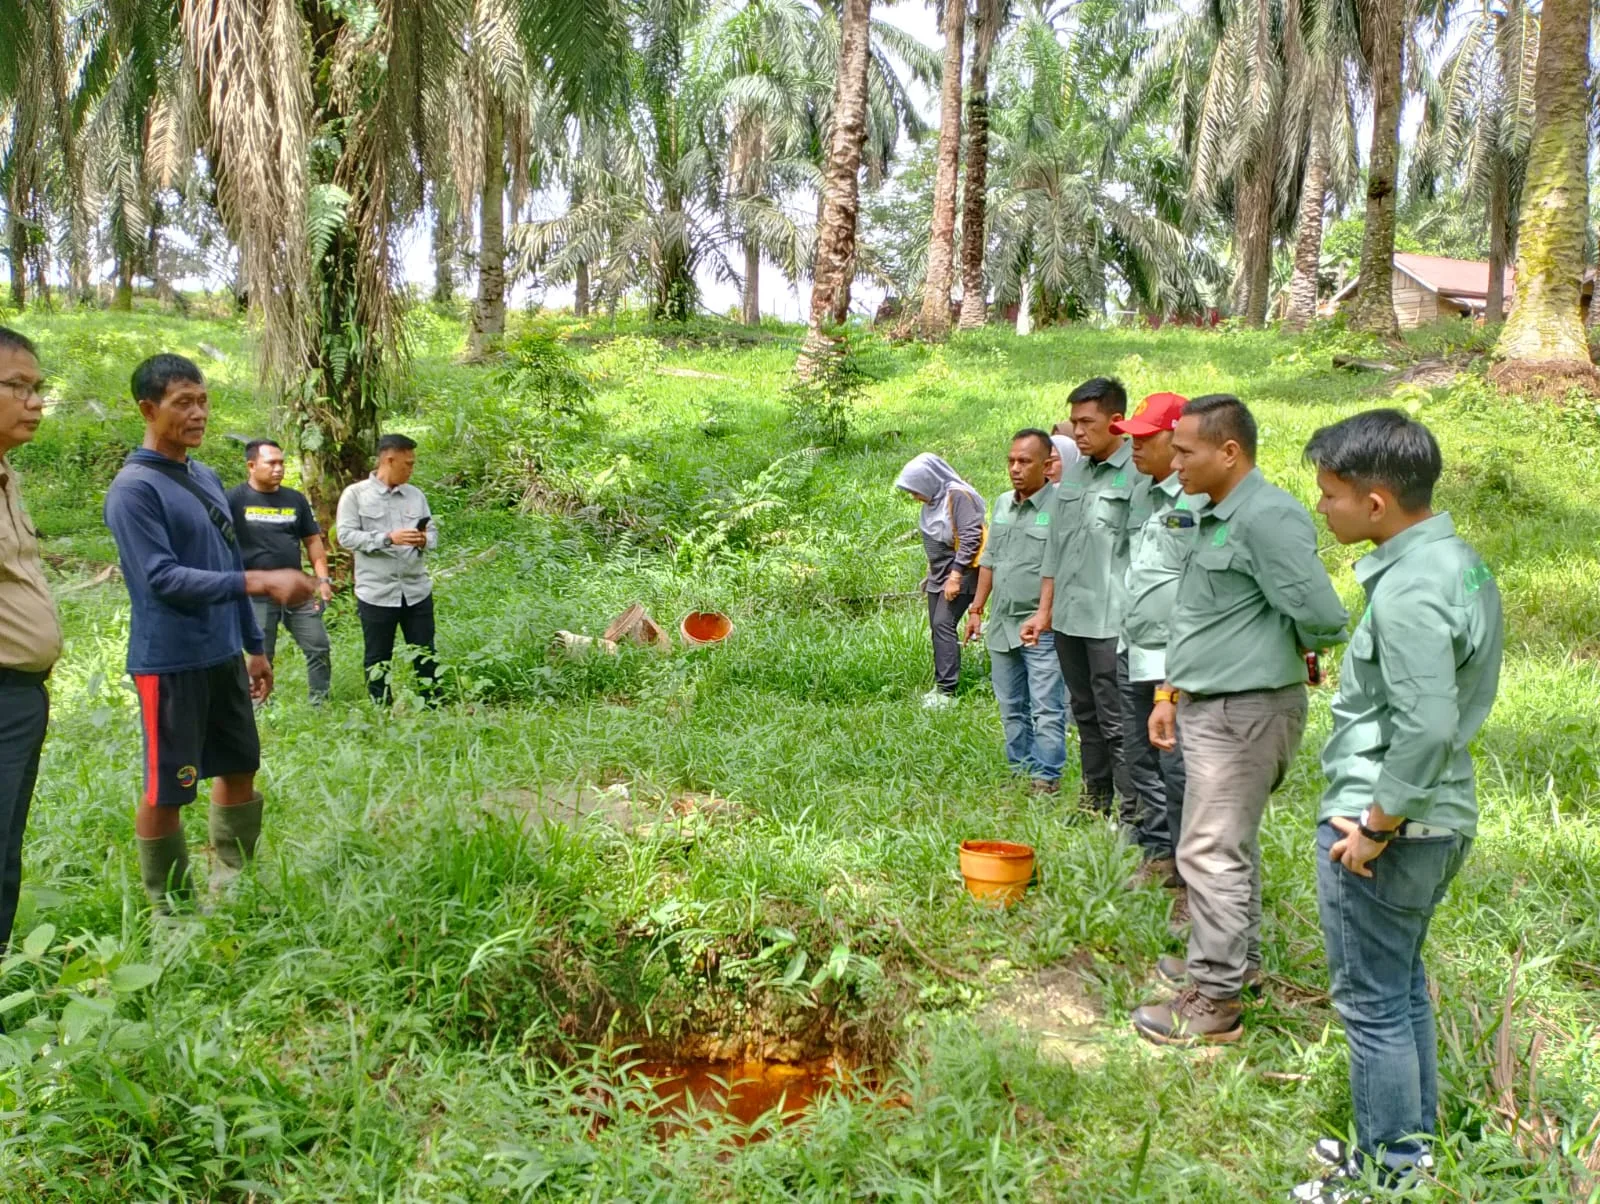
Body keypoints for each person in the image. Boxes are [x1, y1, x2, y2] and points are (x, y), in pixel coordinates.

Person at [1291, 411, 1502, 1203]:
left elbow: (1429, 723)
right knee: (1400, 984)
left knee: (1372, 1003)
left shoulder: (1412, 589)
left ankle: (1388, 1177)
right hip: (1438, 813)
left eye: (1331, 494)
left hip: (1388, 822)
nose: (1323, 508)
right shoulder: (1461, 563)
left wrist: (1377, 826)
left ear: (1376, 503)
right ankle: (1407, 1150)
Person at [1130, 394, 1348, 1045]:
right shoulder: (1210, 514)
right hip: (1210, 704)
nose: (1176, 459)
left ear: (1230, 451)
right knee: (1225, 844)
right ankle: (1232, 965)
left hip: (1246, 709)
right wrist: (1172, 692)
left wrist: (1283, 649)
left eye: (1187, 449)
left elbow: (1323, 616)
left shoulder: (1267, 517)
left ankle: (1215, 999)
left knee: (1209, 850)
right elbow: (1203, 615)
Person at [104, 354, 318, 910]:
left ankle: (234, 881)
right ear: (148, 409)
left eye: (202, 400)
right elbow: (161, 578)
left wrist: (253, 646)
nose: (198, 413)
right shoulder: (134, 489)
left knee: (240, 764)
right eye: (183, 403)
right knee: (168, 788)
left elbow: (224, 561)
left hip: (222, 652)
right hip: (169, 659)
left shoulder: (202, 477)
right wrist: (262, 580)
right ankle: (171, 910)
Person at [1022, 378, 1143, 817]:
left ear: (1116, 421)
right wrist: (1044, 611)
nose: (1077, 432)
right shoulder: (1074, 474)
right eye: (1073, 422)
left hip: (1112, 622)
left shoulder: (1139, 475)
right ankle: (1094, 802)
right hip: (1070, 620)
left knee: (1118, 720)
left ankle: (1132, 812)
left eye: (1086, 422)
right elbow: (1055, 548)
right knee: (1085, 715)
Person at [1112, 393, 1203, 895]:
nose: (1135, 446)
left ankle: (1191, 870)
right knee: (1139, 755)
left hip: (1174, 658)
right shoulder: (1147, 494)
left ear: (1180, 440)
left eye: (1147, 437)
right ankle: (1156, 853)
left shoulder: (1198, 504)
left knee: (1177, 763)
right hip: (1134, 647)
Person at [0, 327, 62, 952]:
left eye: (38, 388)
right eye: (18, 386)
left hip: (20, 695)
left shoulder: (6, 474)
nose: (35, 401)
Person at [963, 430, 1068, 792]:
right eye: (1011, 461)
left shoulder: (1061, 507)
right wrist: (976, 609)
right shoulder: (1004, 502)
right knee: (1011, 706)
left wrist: (1045, 613)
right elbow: (989, 560)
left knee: (1046, 707)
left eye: (1025, 461)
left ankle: (1046, 777)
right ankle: (1020, 769)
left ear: (1048, 465)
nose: (1015, 468)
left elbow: (1060, 567)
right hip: (1002, 624)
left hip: (1040, 626)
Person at [227, 439, 335, 703]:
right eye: (271, 463)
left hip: (297, 590)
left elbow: (312, 540)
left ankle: (319, 702)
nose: (278, 468)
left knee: (318, 645)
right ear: (251, 466)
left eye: (281, 463)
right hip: (256, 592)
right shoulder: (233, 499)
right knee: (261, 651)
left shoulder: (294, 498)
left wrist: (322, 579)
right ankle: (260, 707)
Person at [336, 433, 440, 704]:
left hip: (416, 590)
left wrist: (423, 539)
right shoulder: (355, 495)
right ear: (389, 460)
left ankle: (433, 704)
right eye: (408, 464)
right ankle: (381, 710)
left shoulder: (416, 495)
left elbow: (432, 533)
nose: (411, 469)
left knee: (425, 652)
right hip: (376, 592)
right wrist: (387, 538)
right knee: (378, 657)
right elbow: (345, 536)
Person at [895, 453, 986, 710]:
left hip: (961, 573)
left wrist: (955, 576)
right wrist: (931, 573)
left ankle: (947, 691)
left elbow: (971, 536)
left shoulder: (956, 496)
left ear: (929, 481)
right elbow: (937, 541)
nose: (914, 496)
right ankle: (940, 686)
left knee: (943, 623)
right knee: (937, 628)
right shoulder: (932, 503)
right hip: (939, 575)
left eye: (916, 489)